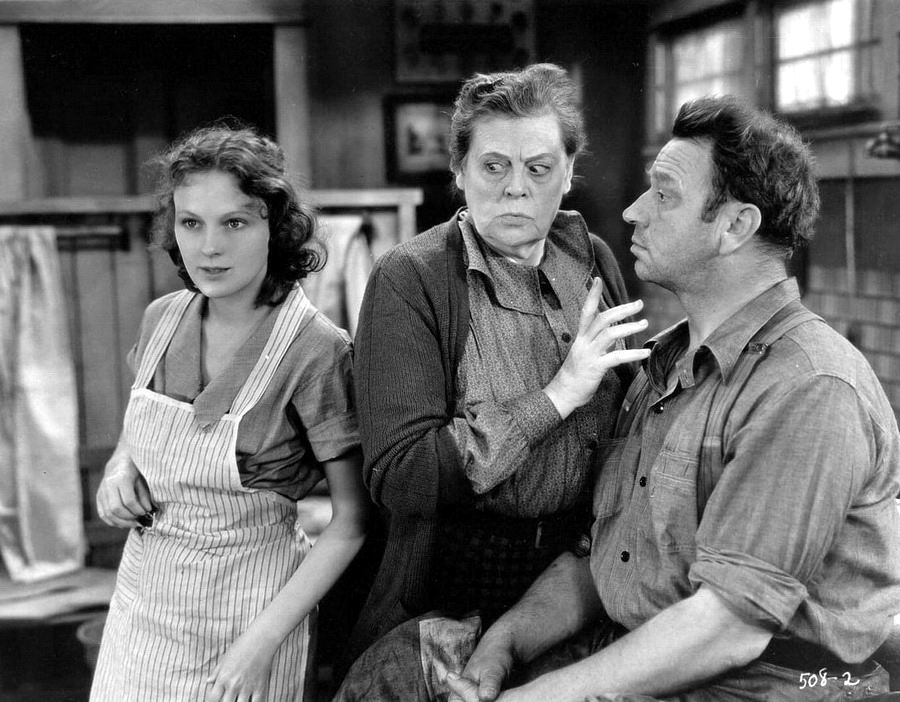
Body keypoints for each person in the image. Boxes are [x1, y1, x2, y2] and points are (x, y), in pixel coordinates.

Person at [447, 95, 900, 701]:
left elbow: (727, 629)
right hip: (645, 660)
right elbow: (607, 559)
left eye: (663, 194)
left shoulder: (809, 388)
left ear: (735, 227)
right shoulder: (662, 365)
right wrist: (505, 645)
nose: (633, 211)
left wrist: (536, 697)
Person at [344, 62, 650, 683]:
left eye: (538, 168)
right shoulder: (411, 278)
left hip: (583, 581)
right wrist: (556, 396)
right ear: (459, 171)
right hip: (452, 588)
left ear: (568, 172)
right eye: (493, 166)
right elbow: (402, 476)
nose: (516, 188)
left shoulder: (592, 259)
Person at [90, 123, 369, 701]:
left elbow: (352, 521)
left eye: (234, 223)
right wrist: (120, 466)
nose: (209, 247)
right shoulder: (161, 318)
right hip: (143, 606)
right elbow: (140, 426)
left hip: (252, 615)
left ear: (276, 226)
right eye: (191, 223)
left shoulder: (316, 349)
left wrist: (260, 643)